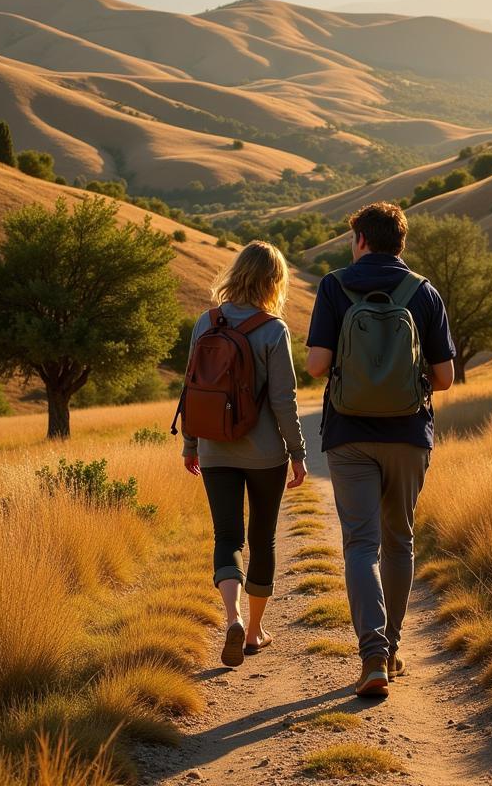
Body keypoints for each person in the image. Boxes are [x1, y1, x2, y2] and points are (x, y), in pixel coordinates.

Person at [306, 203, 455, 697]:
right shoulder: (423, 291)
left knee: (360, 545)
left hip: (349, 436)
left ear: (362, 240)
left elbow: (316, 366)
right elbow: (445, 379)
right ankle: (391, 649)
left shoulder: (333, 286)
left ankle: (370, 655)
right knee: (400, 540)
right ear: (401, 243)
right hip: (409, 435)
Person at [181, 241, 308, 668]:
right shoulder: (273, 329)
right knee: (262, 538)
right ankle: (254, 632)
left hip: (215, 448)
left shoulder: (207, 321)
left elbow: (191, 388)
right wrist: (297, 452)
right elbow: (284, 400)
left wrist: (190, 444)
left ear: (236, 272)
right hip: (265, 454)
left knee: (227, 537)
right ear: (275, 280)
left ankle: (231, 616)